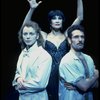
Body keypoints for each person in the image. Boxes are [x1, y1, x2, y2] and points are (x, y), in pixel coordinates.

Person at [20, 0, 83, 99]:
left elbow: (80, 17)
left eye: (60, 18)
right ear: (50, 21)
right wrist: (32, 9)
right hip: (48, 75)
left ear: (62, 21)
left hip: (64, 75)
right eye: (54, 18)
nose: (57, 20)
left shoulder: (67, 35)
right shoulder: (44, 36)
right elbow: (25, 26)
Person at [12, 21, 52, 100]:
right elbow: (17, 72)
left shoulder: (44, 55)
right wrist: (18, 78)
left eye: (31, 34)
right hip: (22, 97)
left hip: (37, 97)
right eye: (25, 34)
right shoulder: (23, 53)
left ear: (37, 36)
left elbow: (40, 83)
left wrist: (18, 85)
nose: (28, 37)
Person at [59, 25, 99, 100]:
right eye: (76, 37)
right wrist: (96, 75)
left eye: (82, 37)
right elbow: (84, 87)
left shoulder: (88, 58)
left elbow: (96, 84)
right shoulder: (67, 60)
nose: (80, 40)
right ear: (69, 40)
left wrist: (78, 86)